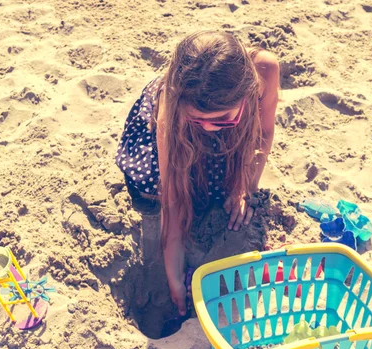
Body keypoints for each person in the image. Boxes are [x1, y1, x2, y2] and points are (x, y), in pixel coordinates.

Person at [115, 30, 279, 316]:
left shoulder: (264, 71)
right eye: (198, 119)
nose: (207, 127)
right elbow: (173, 201)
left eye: (221, 119)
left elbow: (264, 131)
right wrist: (175, 282)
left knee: (219, 187)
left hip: (223, 134)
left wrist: (245, 186)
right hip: (170, 140)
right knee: (153, 187)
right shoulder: (171, 106)